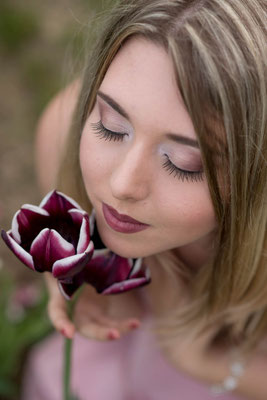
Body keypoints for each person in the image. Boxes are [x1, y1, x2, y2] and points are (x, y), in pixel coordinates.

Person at [22, 0, 267, 399]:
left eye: (184, 163)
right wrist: (75, 279)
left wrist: (204, 361)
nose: (122, 185)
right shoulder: (64, 132)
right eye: (112, 127)